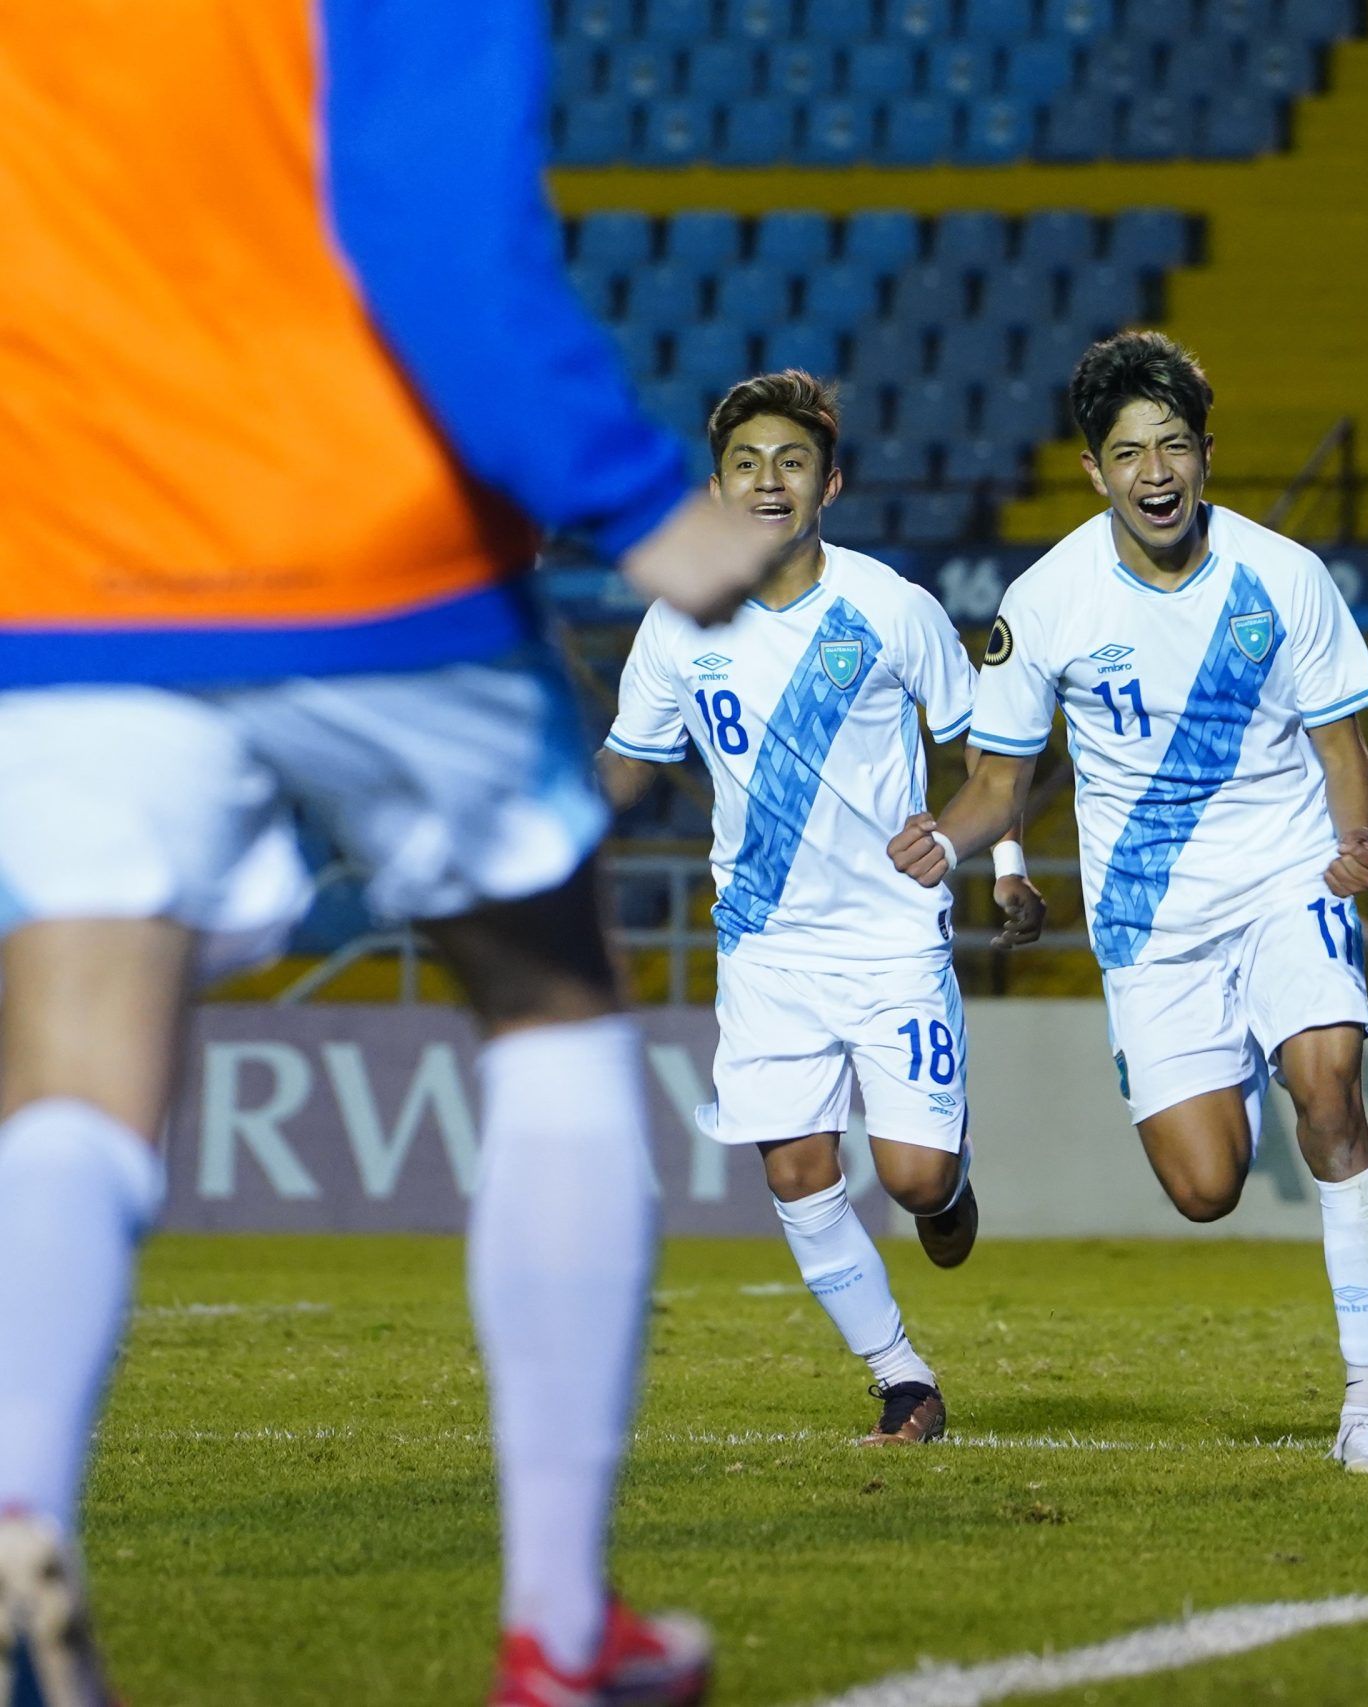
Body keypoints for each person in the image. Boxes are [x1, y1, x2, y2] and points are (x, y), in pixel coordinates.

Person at [0, 6, 780, 1703]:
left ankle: (15, 1508)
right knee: (549, 998)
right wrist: (641, 497)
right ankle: (563, 1628)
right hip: (367, 544)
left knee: (77, 1039)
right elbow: (432, 228)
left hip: (70, 549)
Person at [886, 332, 1368, 1475]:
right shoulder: (1048, 601)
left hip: (1285, 879)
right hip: (1149, 925)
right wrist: (944, 838)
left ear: (1207, 454)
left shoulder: (1284, 577)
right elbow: (995, 783)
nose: (1155, 471)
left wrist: (1357, 836)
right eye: (1129, 452)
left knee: (1331, 1093)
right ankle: (1249, 1071)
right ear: (1095, 472)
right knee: (1205, 1188)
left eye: (1174, 444)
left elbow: (1344, 753)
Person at [599, 370, 1044, 1450]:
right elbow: (628, 761)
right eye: (746, 463)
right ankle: (903, 1380)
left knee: (914, 1179)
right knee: (798, 1175)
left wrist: (1000, 860)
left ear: (828, 484)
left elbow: (986, 753)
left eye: (790, 462)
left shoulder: (892, 608)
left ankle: (948, 1188)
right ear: (717, 488)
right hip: (764, 946)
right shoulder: (678, 621)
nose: (767, 480)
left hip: (891, 939)